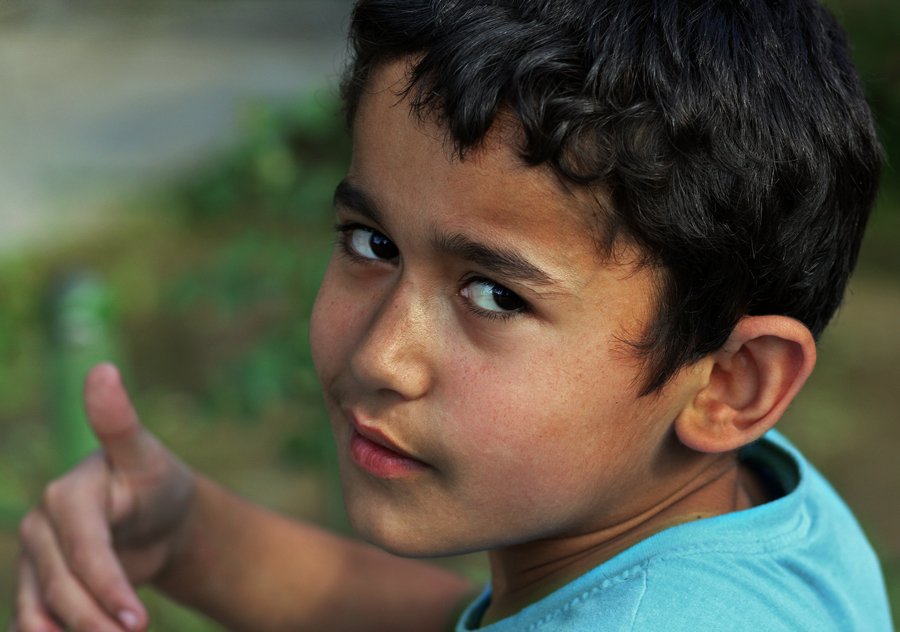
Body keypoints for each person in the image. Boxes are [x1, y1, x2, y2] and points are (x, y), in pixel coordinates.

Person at [12, 0, 893, 630]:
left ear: (733, 384)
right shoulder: (748, 520)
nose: (382, 355)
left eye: (495, 295)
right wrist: (186, 538)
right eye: (371, 243)